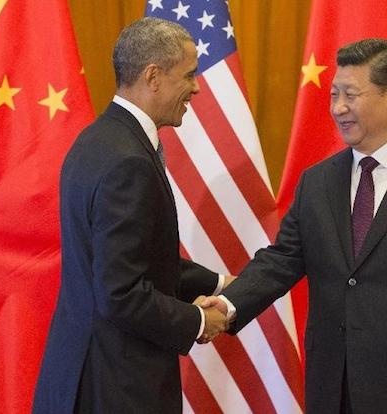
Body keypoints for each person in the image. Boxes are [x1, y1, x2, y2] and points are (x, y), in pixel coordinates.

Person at [200, 38, 387, 413]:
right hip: (332, 384)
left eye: (351, 95)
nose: (338, 108)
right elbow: (280, 261)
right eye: (333, 95)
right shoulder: (318, 182)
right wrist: (226, 305)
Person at [33, 17, 230, 414]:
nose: (196, 86)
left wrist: (222, 284)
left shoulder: (97, 139)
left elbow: (130, 259)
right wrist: (196, 320)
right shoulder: (129, 161)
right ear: (153, 76)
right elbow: (120, 293)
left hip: (85, 374)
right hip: (116, 388)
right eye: (189, 75)